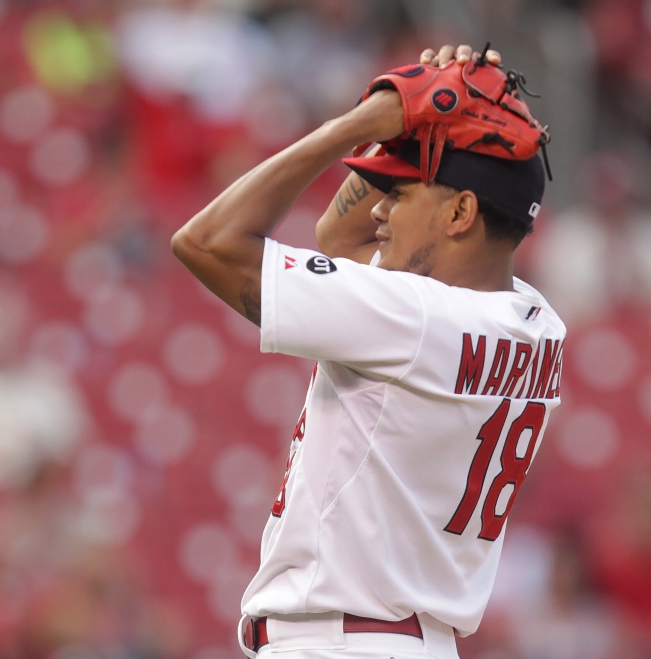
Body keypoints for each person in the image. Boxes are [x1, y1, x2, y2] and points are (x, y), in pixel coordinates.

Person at [171, 44, 567, 659]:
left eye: (403, 194)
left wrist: (358, 124)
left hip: (342, 642)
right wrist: (416, 132)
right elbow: (340, 236)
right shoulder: (538, 324)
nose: (380, 208)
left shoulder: (414, 316)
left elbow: (208, 241)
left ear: (461, 212)